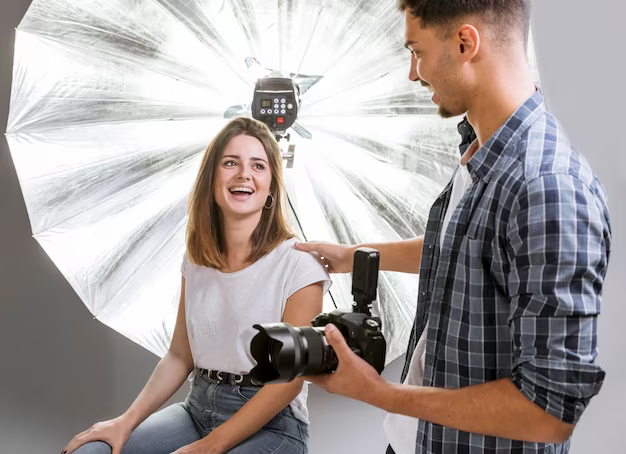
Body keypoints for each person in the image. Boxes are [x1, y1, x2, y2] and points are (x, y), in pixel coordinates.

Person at [296, 1, 611, 453]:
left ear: (465, 43)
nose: (412, 72)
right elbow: (462, 248)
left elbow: (549, 412)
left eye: (417, 52)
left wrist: (377, 392)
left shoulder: (548, 187)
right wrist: (354, 255)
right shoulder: (484, 150)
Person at [63, 117, 331, 454]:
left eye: (258, 166)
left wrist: (209, 446)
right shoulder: (198, 259)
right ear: (212, 179)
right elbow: (179, 356)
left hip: (273, 422)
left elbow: (288, 384)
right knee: (92, 452)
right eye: (230, 162)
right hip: (198, 408)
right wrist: (125, 421)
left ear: (271, 187)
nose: (243, 174)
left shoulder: (299, 264)